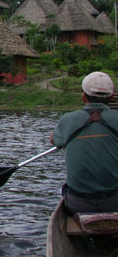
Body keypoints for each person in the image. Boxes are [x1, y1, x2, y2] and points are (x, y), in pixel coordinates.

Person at [50, 71, 118, 213]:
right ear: (112, 97)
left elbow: (53, 139)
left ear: (83, 97)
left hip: (77, 203)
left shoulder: (68, 120)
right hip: (114, 202)